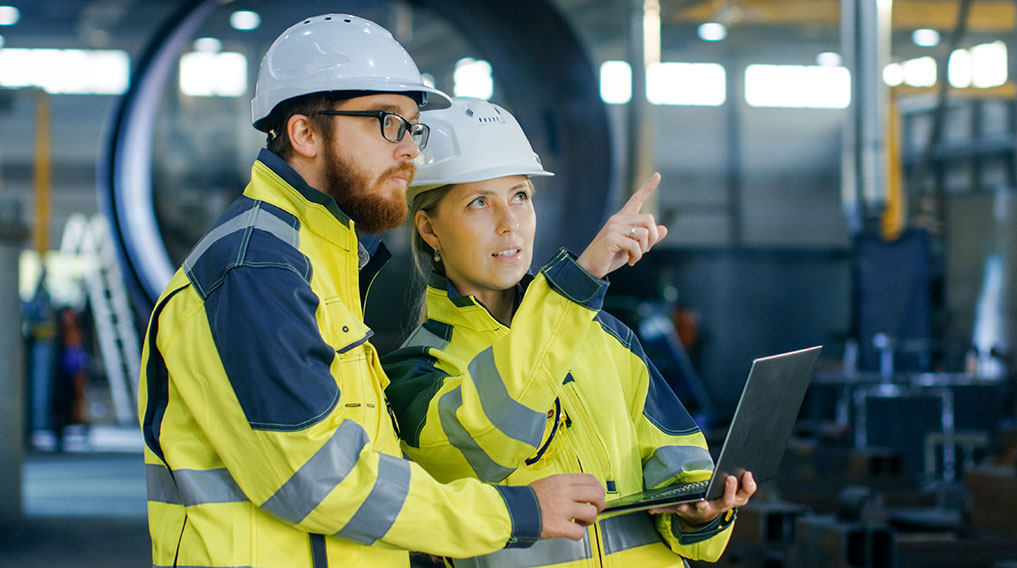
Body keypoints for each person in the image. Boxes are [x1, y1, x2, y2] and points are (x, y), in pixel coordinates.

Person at [137, 15, 605, 568]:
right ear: (304, 133)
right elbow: (314, 479)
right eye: (387, 122)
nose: (410, 150)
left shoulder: (318, 259)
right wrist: (515, 513)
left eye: (413, 127)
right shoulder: (256, 269)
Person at [380, 97, 756, 567]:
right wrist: (581, 278)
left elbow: (678, 462)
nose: (508, 224)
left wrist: (702, 512)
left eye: (520, 197)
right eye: (479, 203)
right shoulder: (413, 373)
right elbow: (488, 440)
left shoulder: (606, 337)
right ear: (429, 230)